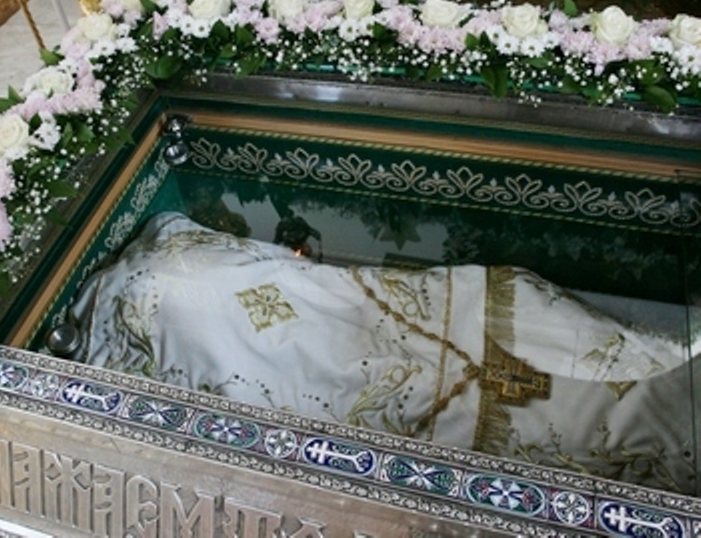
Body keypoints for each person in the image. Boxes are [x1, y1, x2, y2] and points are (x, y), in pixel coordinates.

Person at [71, 212, 698, 494]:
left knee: (557, 379)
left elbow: (317, 285)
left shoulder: (193, 274)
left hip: (376, 321)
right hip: (333, 333)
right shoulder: (180, 286)